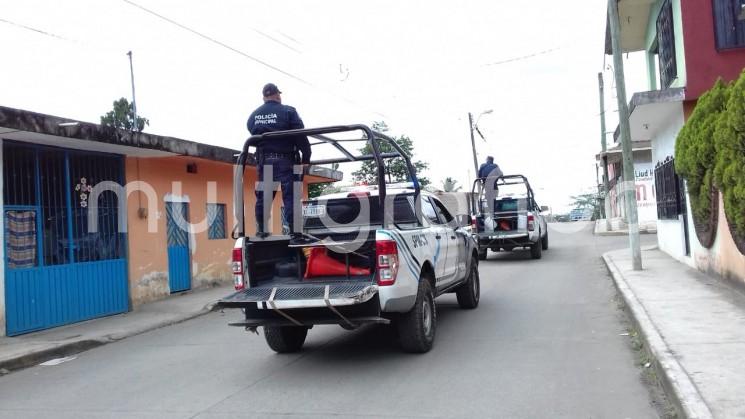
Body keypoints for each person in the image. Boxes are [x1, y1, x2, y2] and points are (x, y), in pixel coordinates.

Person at [247, 83, 311, 238]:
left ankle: (262, 230)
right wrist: (306, 157)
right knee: (291, 197)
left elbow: (252, 134)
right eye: (279, 95)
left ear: (264, 97)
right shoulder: (288, 111)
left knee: (264, 197)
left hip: (265, 162)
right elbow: (300, 135)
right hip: (286, 162)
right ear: (277, 95)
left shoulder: (254, 115)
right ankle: (295, 233)